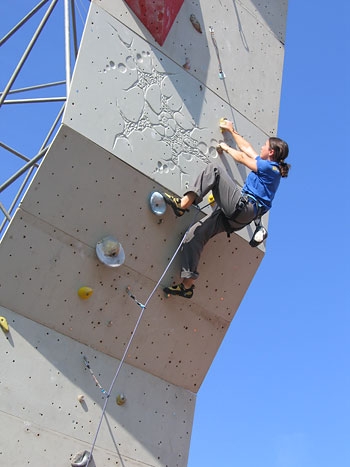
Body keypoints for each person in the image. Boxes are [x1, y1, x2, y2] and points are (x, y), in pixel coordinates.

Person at [163, 119, 290, 299]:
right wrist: (231, 131)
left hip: (245, 207)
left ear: (271, 152)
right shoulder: (267, 166)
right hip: (236, 217)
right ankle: (187, 285)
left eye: (264, 146)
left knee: (215, 170)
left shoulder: (272, 168)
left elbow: (242, 158)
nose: (261, 147)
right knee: (194, 235)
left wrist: (225, 147)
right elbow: (248, 149)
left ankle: (183, 204)